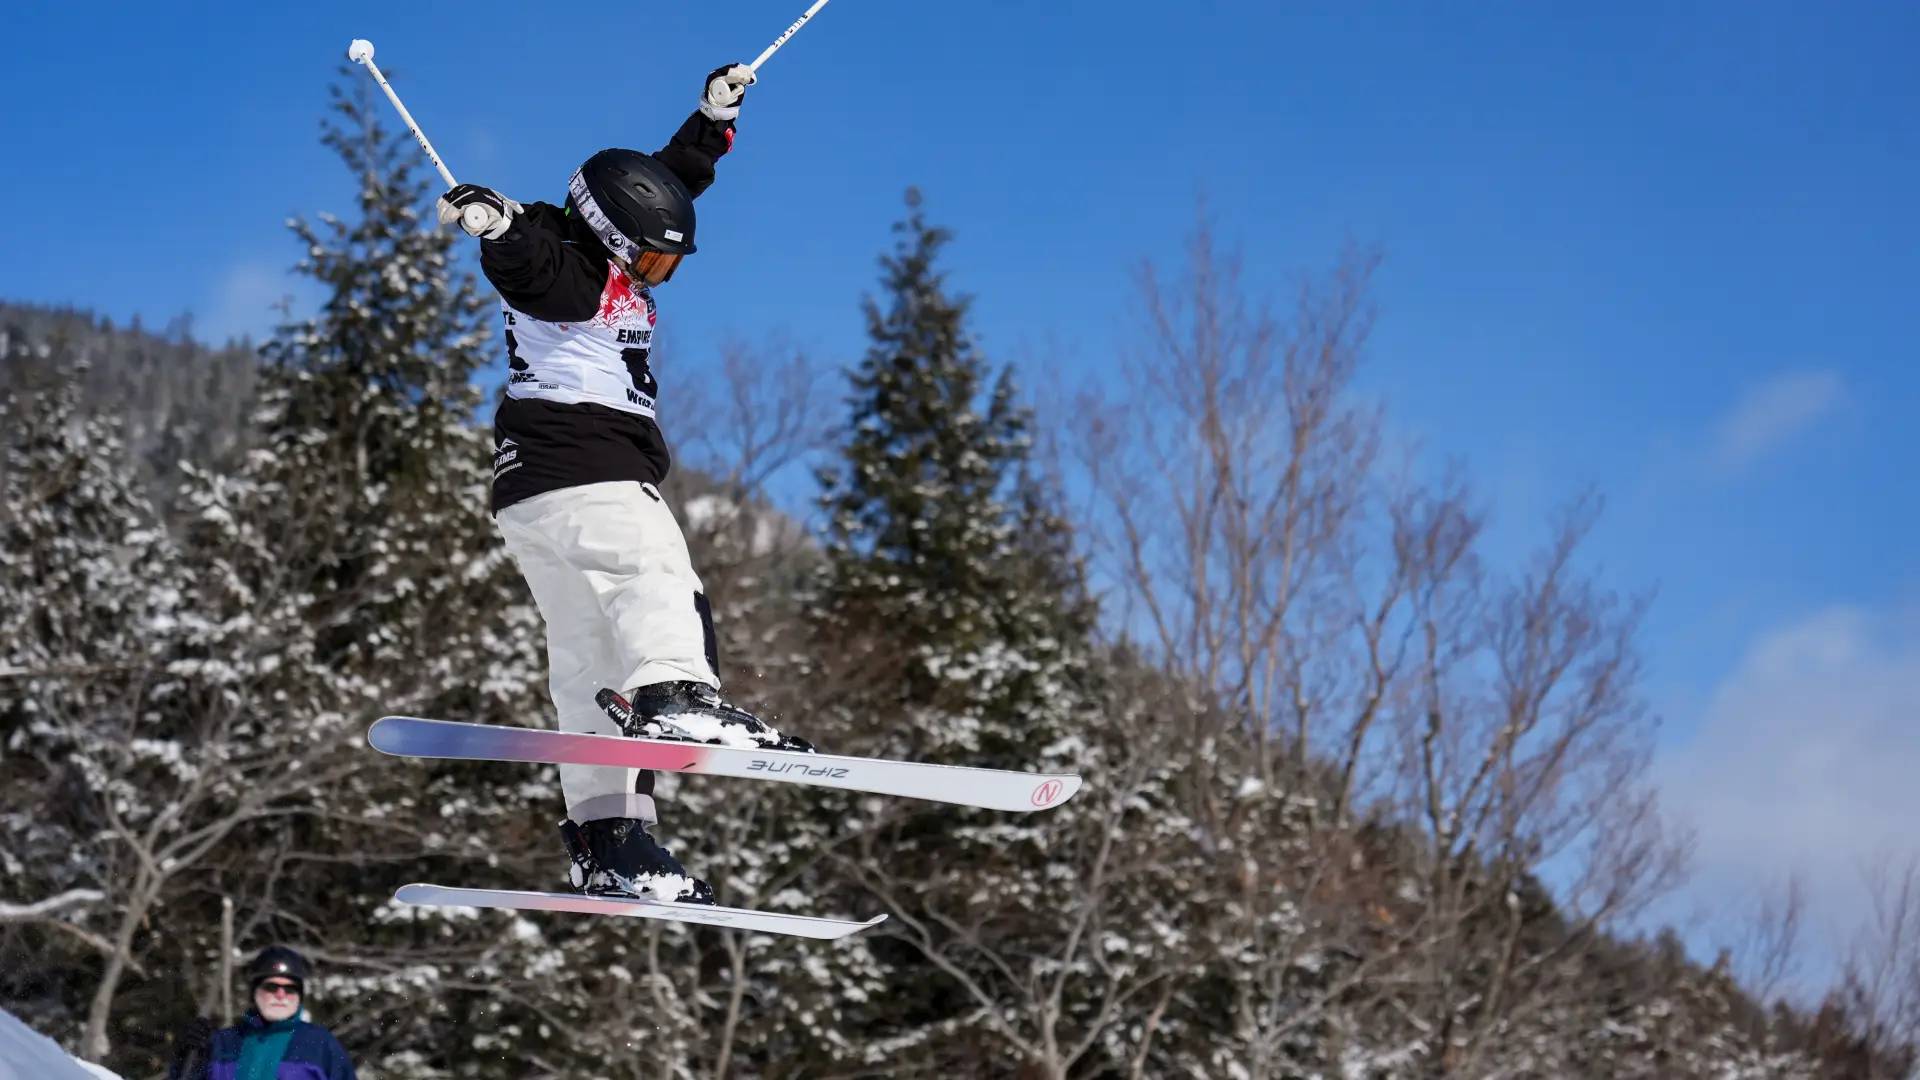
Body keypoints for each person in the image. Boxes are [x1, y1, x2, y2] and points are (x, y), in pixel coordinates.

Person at [432, 64, 814, 907]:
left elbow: (668, 179)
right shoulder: (564, 266)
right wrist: (493, 222)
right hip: (587, 468)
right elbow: (527, 259)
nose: (650, 275)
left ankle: (613, 840)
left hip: (532, 494)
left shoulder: (610, 241)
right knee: (658, 577)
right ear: (601, 232)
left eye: (664, 266)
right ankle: (679, 690)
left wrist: (713, 119)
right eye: (644, 257)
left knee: (588, 662)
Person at [166, 946, 356, 1080]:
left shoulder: (320, 1045)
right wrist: (184, 1058)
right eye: (272, 987)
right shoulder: (221, 1043)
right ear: (254, 992)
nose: (281, 995)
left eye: (290, 989)